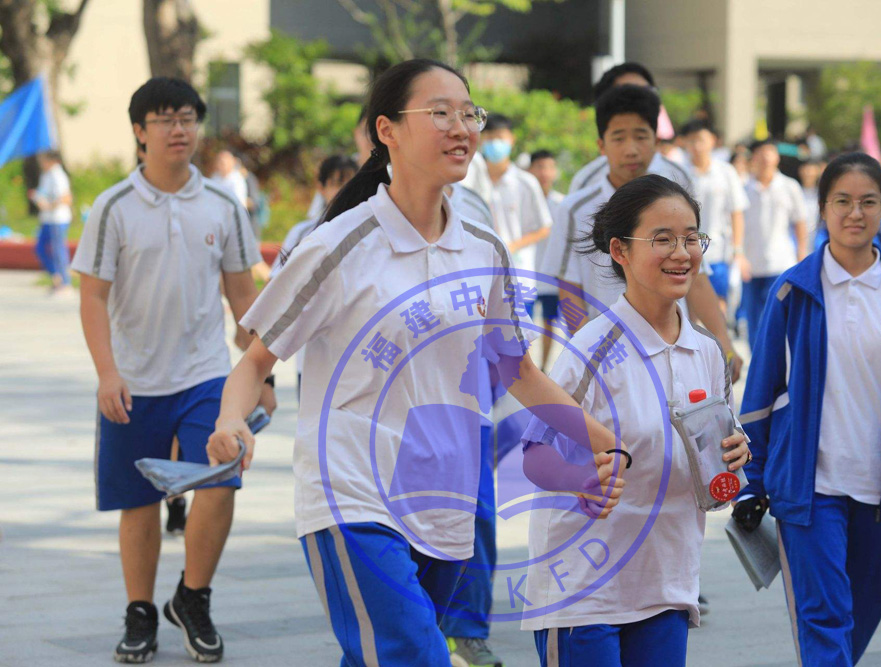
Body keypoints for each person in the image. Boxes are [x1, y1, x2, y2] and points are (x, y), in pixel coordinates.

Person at [205, 59, 628, 667]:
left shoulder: (484, 249)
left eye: (468, 113)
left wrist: (602, 442)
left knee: (380, 655)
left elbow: (519, 373)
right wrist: (230, 421)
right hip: (350, 491)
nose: (461, 127)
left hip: (445, 499)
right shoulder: (337, 244)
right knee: (415, 654)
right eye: (439, 113)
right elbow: (255, 359)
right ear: (387, 131)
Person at [735, 152, 881, 667]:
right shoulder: (794, 291)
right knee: (825, 614)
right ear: (822, 209)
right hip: (806, 484)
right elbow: (760, 392)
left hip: (876, 483)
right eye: (842, 201)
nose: (854, 213)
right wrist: (751, 481)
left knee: (865, 606)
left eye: (867, 201)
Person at [70, 77, 271, 663]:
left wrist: (265, 375)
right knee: (138, 501)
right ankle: (140, 611)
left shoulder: (223, 204)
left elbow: (242, 296)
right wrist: (108, 373)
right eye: (165, 119)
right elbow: (92, 298)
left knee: (221, 475)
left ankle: (194, 595)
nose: (179, 129)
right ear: (140, 131)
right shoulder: (113, 207)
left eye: (187, 117)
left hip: (206, 374)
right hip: (134, 379)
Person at [523, 174, 750, 666]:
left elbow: (713, 446)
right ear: (619, 251)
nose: (681, 252)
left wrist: (734, 452)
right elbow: (535, 455)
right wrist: (579, 478)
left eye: (691, 237)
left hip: (667, 582)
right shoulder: (591, 350)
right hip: (585, 591)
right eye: (662, 239)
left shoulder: (708, 350)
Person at [542, 85, 745, 382]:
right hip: (613, 359)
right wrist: (592, 356)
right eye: (619, 137)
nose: (631, 149)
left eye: (641, 136)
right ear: (601, 145)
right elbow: (569, 291)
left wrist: (724, 345)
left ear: (655, 141)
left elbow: (697, 279)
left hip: (675, 352)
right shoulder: (576, 208)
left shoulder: (677, 194)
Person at [275, 154, 359, 401]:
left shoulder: (379, 232)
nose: (344, 189)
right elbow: (278, 291)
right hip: (313, 358)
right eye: (336, 182)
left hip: (360, 357)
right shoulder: (303, 234)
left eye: (351, 182)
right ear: (321, 188)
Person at [568, 63, 691, 194]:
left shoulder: (678, 177)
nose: (637, 99)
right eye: (626, 92)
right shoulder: (586, 183)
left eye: (646, 91)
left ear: (656, 140)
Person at [479, 113, 553, 315]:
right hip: (480, 278)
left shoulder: (526, 183)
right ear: (481, 140)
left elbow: (544, 227)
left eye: (500, 138)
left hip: (519, 277)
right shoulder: (470, 181)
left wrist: (511, 246)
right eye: (490, 138)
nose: (495, 143)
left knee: (521, 342)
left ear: (512, 140)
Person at [741, 138, 809, 351]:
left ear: (777, 157)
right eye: (760, 152)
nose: (765, 157)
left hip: (781, 263)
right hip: (752, 264)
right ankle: (758, 366)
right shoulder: (744, 188)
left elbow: (800, 222)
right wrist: (739, 256)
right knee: (754, 321)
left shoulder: (789, 186)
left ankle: (779, 367)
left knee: (780, 317)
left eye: (770, 152)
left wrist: (802, 255)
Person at [682, 119, 749, 314]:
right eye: (692, 140)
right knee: (690, 307)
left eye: (701, 140)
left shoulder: (726, 172)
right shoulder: (679, 173)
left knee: (718, 304)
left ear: (712, 141)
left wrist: (738, 250)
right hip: (686, 252)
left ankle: (719, 343)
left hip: (718, 251)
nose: (697, 146)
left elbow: (737, 212)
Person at [528, 149, 565, 370]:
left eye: (549, 167)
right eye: (540, 167)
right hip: (526, 272)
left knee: (550, 321)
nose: (544, 172)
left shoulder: (562, 204)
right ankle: (528, 368)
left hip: (551, 274)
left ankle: (543, 368)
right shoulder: (523, 199)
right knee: (526, 324)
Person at [29, 150, 73, 294]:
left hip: (57, 219)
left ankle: (65, 282)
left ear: (52, 161)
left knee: (58, 250)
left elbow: (66, 198)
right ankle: (56, 276)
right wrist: (36, 197)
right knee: (40, 248)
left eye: (44, 160)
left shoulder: (58, 175)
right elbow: (44, 194)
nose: (41, 163)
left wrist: (49, 205)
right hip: (47, 219)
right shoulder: (46, 175)